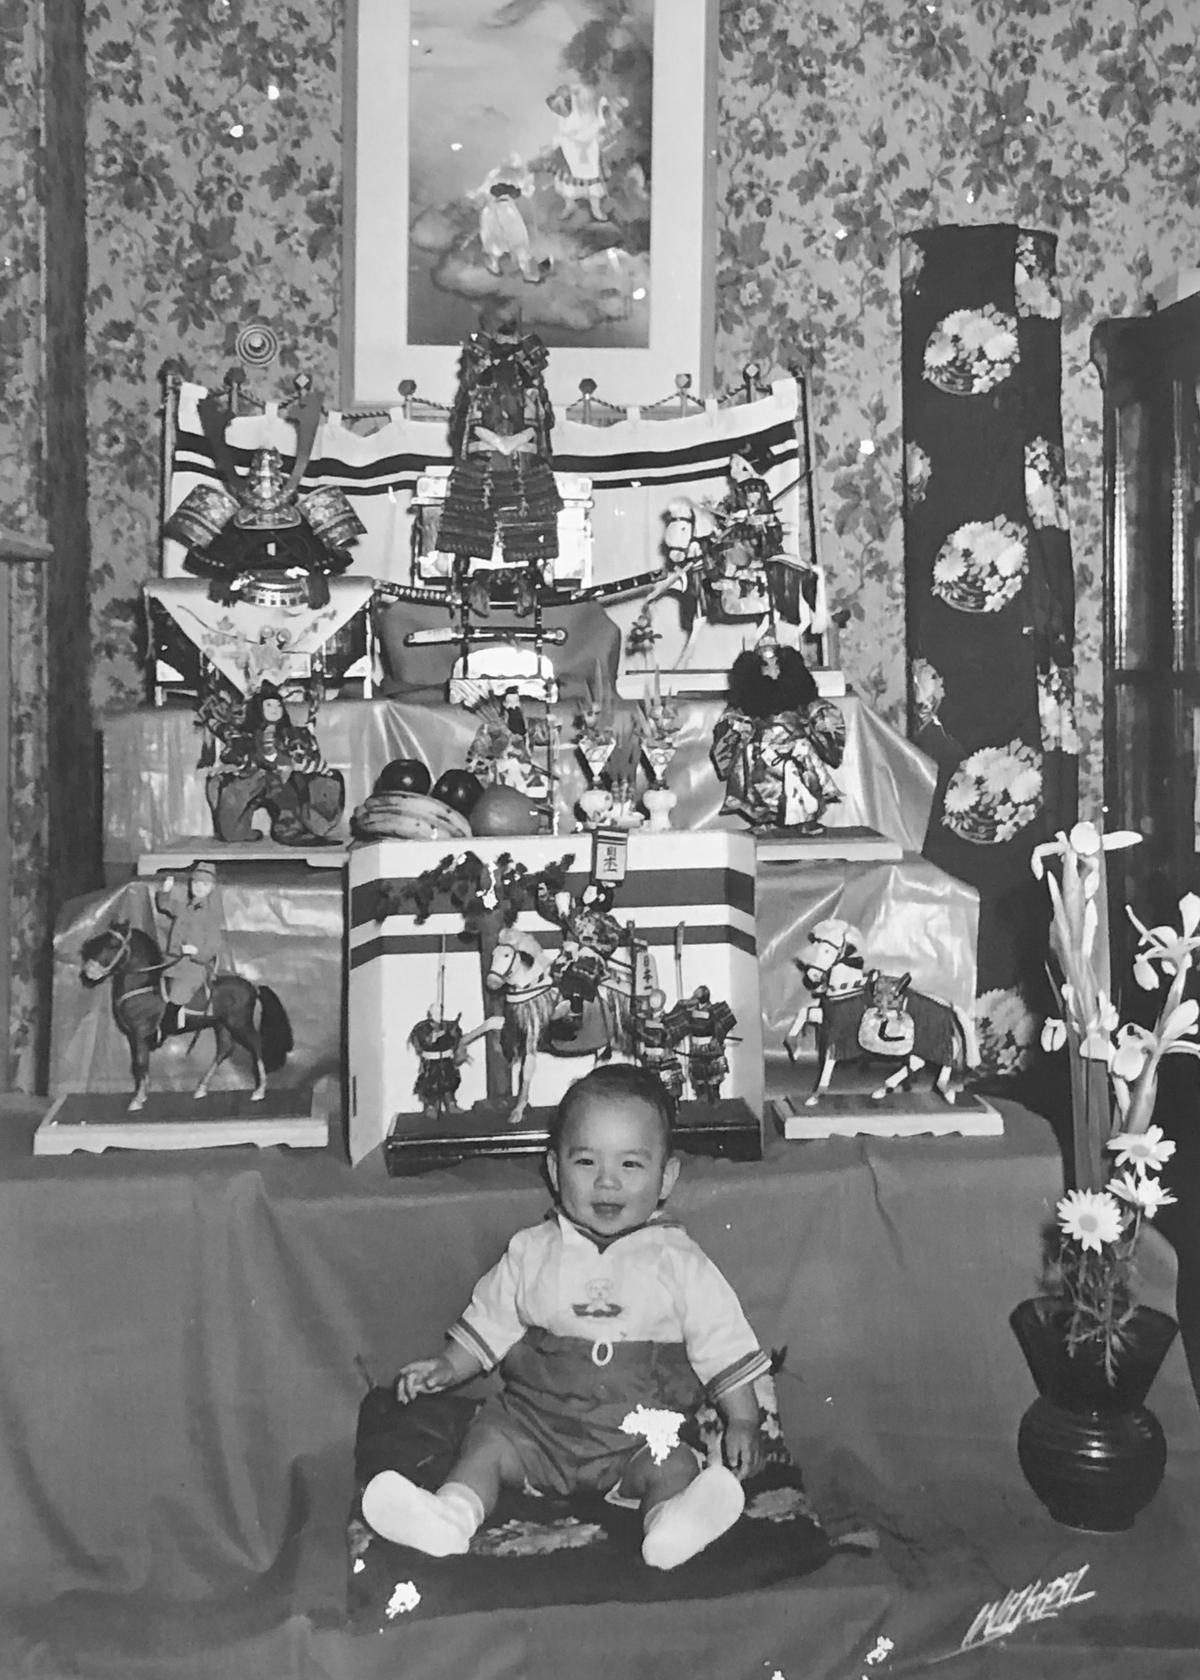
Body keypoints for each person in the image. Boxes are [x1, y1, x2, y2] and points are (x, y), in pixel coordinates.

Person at [361, 1063, 769, 1570]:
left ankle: (673, 1522)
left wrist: (744, 1419)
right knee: (486, 1444)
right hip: (537, 1429)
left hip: (637, 1435)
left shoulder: (679, 1261)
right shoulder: (531, 1250)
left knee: (672, 1461)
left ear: (666, 1177)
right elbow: (490, 1320)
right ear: (555, 1170)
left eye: (631, 1165)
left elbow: (722, 1343)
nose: (606, 1181)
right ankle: (450, 1515)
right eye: (586, 1161)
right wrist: (447, 1366)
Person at [154, 862, 228, 1031]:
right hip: (173, 962)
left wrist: (196, 952)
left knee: (177, 994)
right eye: (196, 883)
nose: (199, 888)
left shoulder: (211, 915)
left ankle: (166, 1028)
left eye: (204, 884)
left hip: (193, 968)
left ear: (211, 888)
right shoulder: (185, 907)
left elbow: (213, 945)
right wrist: (166, 890)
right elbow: (165, 905)